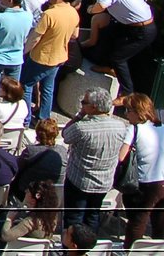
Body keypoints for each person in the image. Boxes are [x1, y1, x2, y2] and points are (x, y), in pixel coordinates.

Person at [80, 0, 156, 94]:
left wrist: (90, 9)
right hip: (132, 25)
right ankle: (106, 65)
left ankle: (127, 94)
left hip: (142, 30)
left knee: (118, 58)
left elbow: (100, 6)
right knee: (110, 34)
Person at [61, 85, 130, 230]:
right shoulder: (121, 127)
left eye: (84, 103)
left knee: (74, 218)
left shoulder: (82, 128)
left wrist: (80, 115)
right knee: (92, 216)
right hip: (103, 183)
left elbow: (65, 134)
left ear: (93, 107)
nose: (81, 104)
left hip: (79, 181)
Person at [119, 91, 164, 244]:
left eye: (128, 110)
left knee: (138, 221)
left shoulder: (134, 129)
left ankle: (131, 252)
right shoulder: (161, 127)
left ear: (138, 112)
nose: (126, 114)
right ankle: (157, 251)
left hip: (151, 182)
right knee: (160, 224)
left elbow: (121, 157)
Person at [21, 0, 75, 120]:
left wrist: (23, 53)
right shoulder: (73, 12)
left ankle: (26, 118)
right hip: (60, 56)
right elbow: (75, 35)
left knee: (25, 86)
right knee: (48, 89)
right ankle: (43, 118)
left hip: (41, 57)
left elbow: (35, 38)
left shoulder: (49, 15)